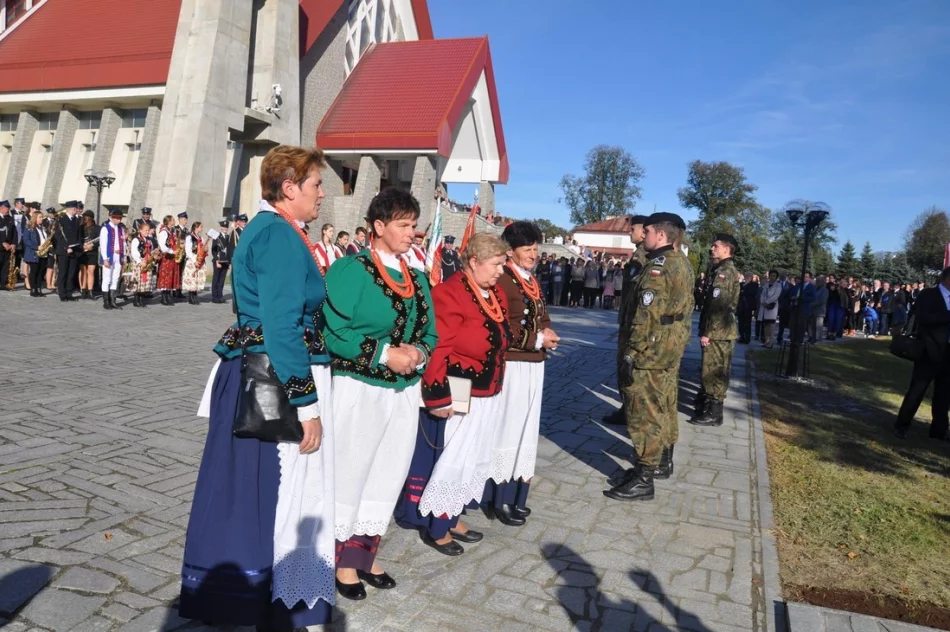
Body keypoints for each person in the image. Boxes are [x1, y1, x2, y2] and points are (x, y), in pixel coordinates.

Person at [180, 145, 335, 629]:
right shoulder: (276, 235)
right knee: (270, 491)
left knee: (260, 490)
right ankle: (267, 601)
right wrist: (306, 404)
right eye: (316, 185)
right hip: (271, 378)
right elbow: (281, 326)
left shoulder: (280, 229)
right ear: (289, 188)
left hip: (267, 368)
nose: (322, 194)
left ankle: (265, 597)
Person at [322, 187, 437, 600]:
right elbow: (332, 331)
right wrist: (387, 354)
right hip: (359, 388)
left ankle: (365, 553)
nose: (412, 233)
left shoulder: (418, 278)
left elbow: (431, 333)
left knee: (387, 474)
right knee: (351, 471)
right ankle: (339, 560)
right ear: (378, 226)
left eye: (414, 225)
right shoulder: (351, 270)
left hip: (402, 393)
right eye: (403, 225)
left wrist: (417, 353)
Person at [395, 233, 512, 555]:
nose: (501, 271)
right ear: (473, 261)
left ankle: (452, 513)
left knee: (471, 459)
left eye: (503, 264)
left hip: (487, 390)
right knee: (452, 459)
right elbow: (439, 347)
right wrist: (437, 396)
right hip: (458, 389)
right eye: (496, 264)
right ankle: (437, 526)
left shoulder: (496, 293)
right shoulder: (450, 293)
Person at [606, 212, 693, 501]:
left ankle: (644, 476)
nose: (645, 235)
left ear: (662, 235)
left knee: (643, 410)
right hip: (669, 346)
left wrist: (631, 353)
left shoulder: (658, 267)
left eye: (649, 232)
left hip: (651, 350)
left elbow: (646, 315)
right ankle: (658, 463)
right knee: (663, 402)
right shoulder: (682, 263)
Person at [480, 222, 558, 526]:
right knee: (509, 427)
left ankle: (517, 494)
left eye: (536, 248)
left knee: (526, 427)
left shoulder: (531, 279)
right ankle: (498, 497)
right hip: (513, 363)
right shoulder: (504, 279)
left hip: (534, 364)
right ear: (510, 251)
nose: (533, 254)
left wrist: (547, 330)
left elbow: (541, 314)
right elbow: (501, 324)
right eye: (527, 249)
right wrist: (536, 339)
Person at [689, 234, 741, 427]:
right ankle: (708, 406)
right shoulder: (720, 270)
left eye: (716, 246)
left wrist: (708, 332)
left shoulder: (724, 272)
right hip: (720, 330)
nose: (711, 249)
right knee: (712, 369)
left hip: (718, 332)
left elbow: (718, 307)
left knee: (714, 371)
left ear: (727, 249)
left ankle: (714, 414)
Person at [894, 268, 950, 440]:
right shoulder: (928, 294)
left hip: (948, 353)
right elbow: (923, 317)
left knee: (944, 393)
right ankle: (902, 425)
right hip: (929, 350)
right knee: (917, 390)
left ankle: (939, 430)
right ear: (948, 279)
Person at [603, 215, 648, 426]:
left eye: (633, 229)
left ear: (644, 232)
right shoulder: (640, 254)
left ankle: (629, 411)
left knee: (627, 366)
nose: (629, 232)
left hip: (632, 322)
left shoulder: (642, 257)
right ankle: (627, 408)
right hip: (628, 320)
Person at [98, 208, 128, 310]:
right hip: (109, 256)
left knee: (115, 278)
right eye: (117, 218)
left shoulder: (120, 229)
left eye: (120, 218)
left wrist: (124, 256)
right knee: (107, 278)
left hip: (118, 256)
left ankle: (113, 300)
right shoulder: (105, 228)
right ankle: (106, 301)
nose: (119, 220)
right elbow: (103, 245)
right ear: (112, 218)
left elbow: (124, 243)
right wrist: (105, 259)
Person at [53, 201, 83, 301]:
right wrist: (66, 247)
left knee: (71, 273)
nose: (76, 210)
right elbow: (59, 235)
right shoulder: (61, 220)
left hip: (74, 250)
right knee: (63, 273)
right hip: (64, 251)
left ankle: (69, 293)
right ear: (70, 209)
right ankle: (62, 294)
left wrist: (80, 245)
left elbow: (78, 235)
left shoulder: (76, 220)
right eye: (75, 209)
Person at [128, 221, 158, 307]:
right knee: (138, 281)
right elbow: (134, 252)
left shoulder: (148, 240)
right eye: (145, 230)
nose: (147, 232)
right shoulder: (136, 240)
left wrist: (154, 255)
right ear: (140, 230)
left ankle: (141, 299)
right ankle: (136, 300)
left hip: (147, 262)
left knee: (144, 282)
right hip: (140, 263)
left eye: (148, 230)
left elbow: (150, 251)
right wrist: (140, 261)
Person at [156, 215, 182, 306]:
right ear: (169, 221)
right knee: (165, 277)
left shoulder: (172, 231)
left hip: (172, 257)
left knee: (170, 277)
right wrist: (172, 251)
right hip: (166, 257)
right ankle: (163, 297)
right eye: (173, 220)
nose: (174, 221)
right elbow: (162, 246)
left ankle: (167, 296)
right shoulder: (164, 231)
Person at [183, 221, 210, 305]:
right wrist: (195, 260)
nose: (202, 228)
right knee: (192, 278)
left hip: (200, 260)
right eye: (200, 227)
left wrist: (206, 250)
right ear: (196, 227)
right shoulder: (189, 237)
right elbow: (188, 251)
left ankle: (195, 296)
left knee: (197, 279)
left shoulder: (201, 238)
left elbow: (203, 248)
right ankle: (191, 297)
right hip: (193, 260)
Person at [22, 210, 48, 298]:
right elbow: (26, 240)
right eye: (40, 217)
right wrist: (36, 247)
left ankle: (39, 289)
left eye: (42, 217)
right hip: (34, 252)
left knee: (41, 272)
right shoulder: (29, 227)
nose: (41, 219)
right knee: (34, 271)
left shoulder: (42, 227)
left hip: (43, 252)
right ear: (35, 218)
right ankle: (33, 289)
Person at [78, 210, 98, 300]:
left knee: (91, 271)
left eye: (85, 217)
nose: (84, 218)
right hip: (82, 252)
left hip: (92, 252)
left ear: (90, 218)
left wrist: (93, 245)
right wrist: (82, 246)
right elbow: (77, 239)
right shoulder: (81, 227)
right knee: (83, 271)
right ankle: (83, 289)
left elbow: (100, 240)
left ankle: (90, 291)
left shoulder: (97, 228)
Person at [210, 219, 231, 303]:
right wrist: (216, 260)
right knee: (216, 279)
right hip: (218, 261)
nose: (225, 228)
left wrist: (229, 262)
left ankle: (220, 295)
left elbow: (229, 250)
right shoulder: (217, 236)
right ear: (221, 227)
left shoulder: (228, 237)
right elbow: (214, 250)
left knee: (222, 279)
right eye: (223, 227)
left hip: (225, 261)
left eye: (226, 227)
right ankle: (214, 296)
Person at [172, 212, 190, 300]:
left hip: (184, 254)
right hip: (177, 253)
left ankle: (179, 290)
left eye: (186, 219)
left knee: (181, 272)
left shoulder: (187, 230)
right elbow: (173, 240)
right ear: (179, 220)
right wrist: (180, 244)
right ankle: (174, 290)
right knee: (176, 272)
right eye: (184, 219)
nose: (185, 221)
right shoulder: (175, 229)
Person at [737, 273, 758, 344]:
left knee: (747, 323)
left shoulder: (754, 285)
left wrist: (743, 291)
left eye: (748, 276)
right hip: (741, 305)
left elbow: (751, 293)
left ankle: (747, 338)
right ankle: (742, 336)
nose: (747, 277)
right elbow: (738, 292)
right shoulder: (741, 284)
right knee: (740, 322)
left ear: (751, 277)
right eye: (746, 276)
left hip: (748, 306)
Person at [0, 201, 16, 290]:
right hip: (1, 246)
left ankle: (3, 284)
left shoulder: (9, 219)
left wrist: (13, 243)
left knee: (6, 266)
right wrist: (2, 242)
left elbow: (14, 232)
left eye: (9, 208)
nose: (8, 210)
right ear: (1, 208)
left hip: (8, 247)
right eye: (7, 208)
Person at [809, 276, 828, 344]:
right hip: (812, 311)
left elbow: (822, 300)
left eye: (819, 281)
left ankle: (818, 340)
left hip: (820, 311)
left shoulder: (825, 290)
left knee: (818, 327)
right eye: (817, 281)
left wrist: (812, 304)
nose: (817, 282)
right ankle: (812, 339)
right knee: (812, 326)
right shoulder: (815, 289)